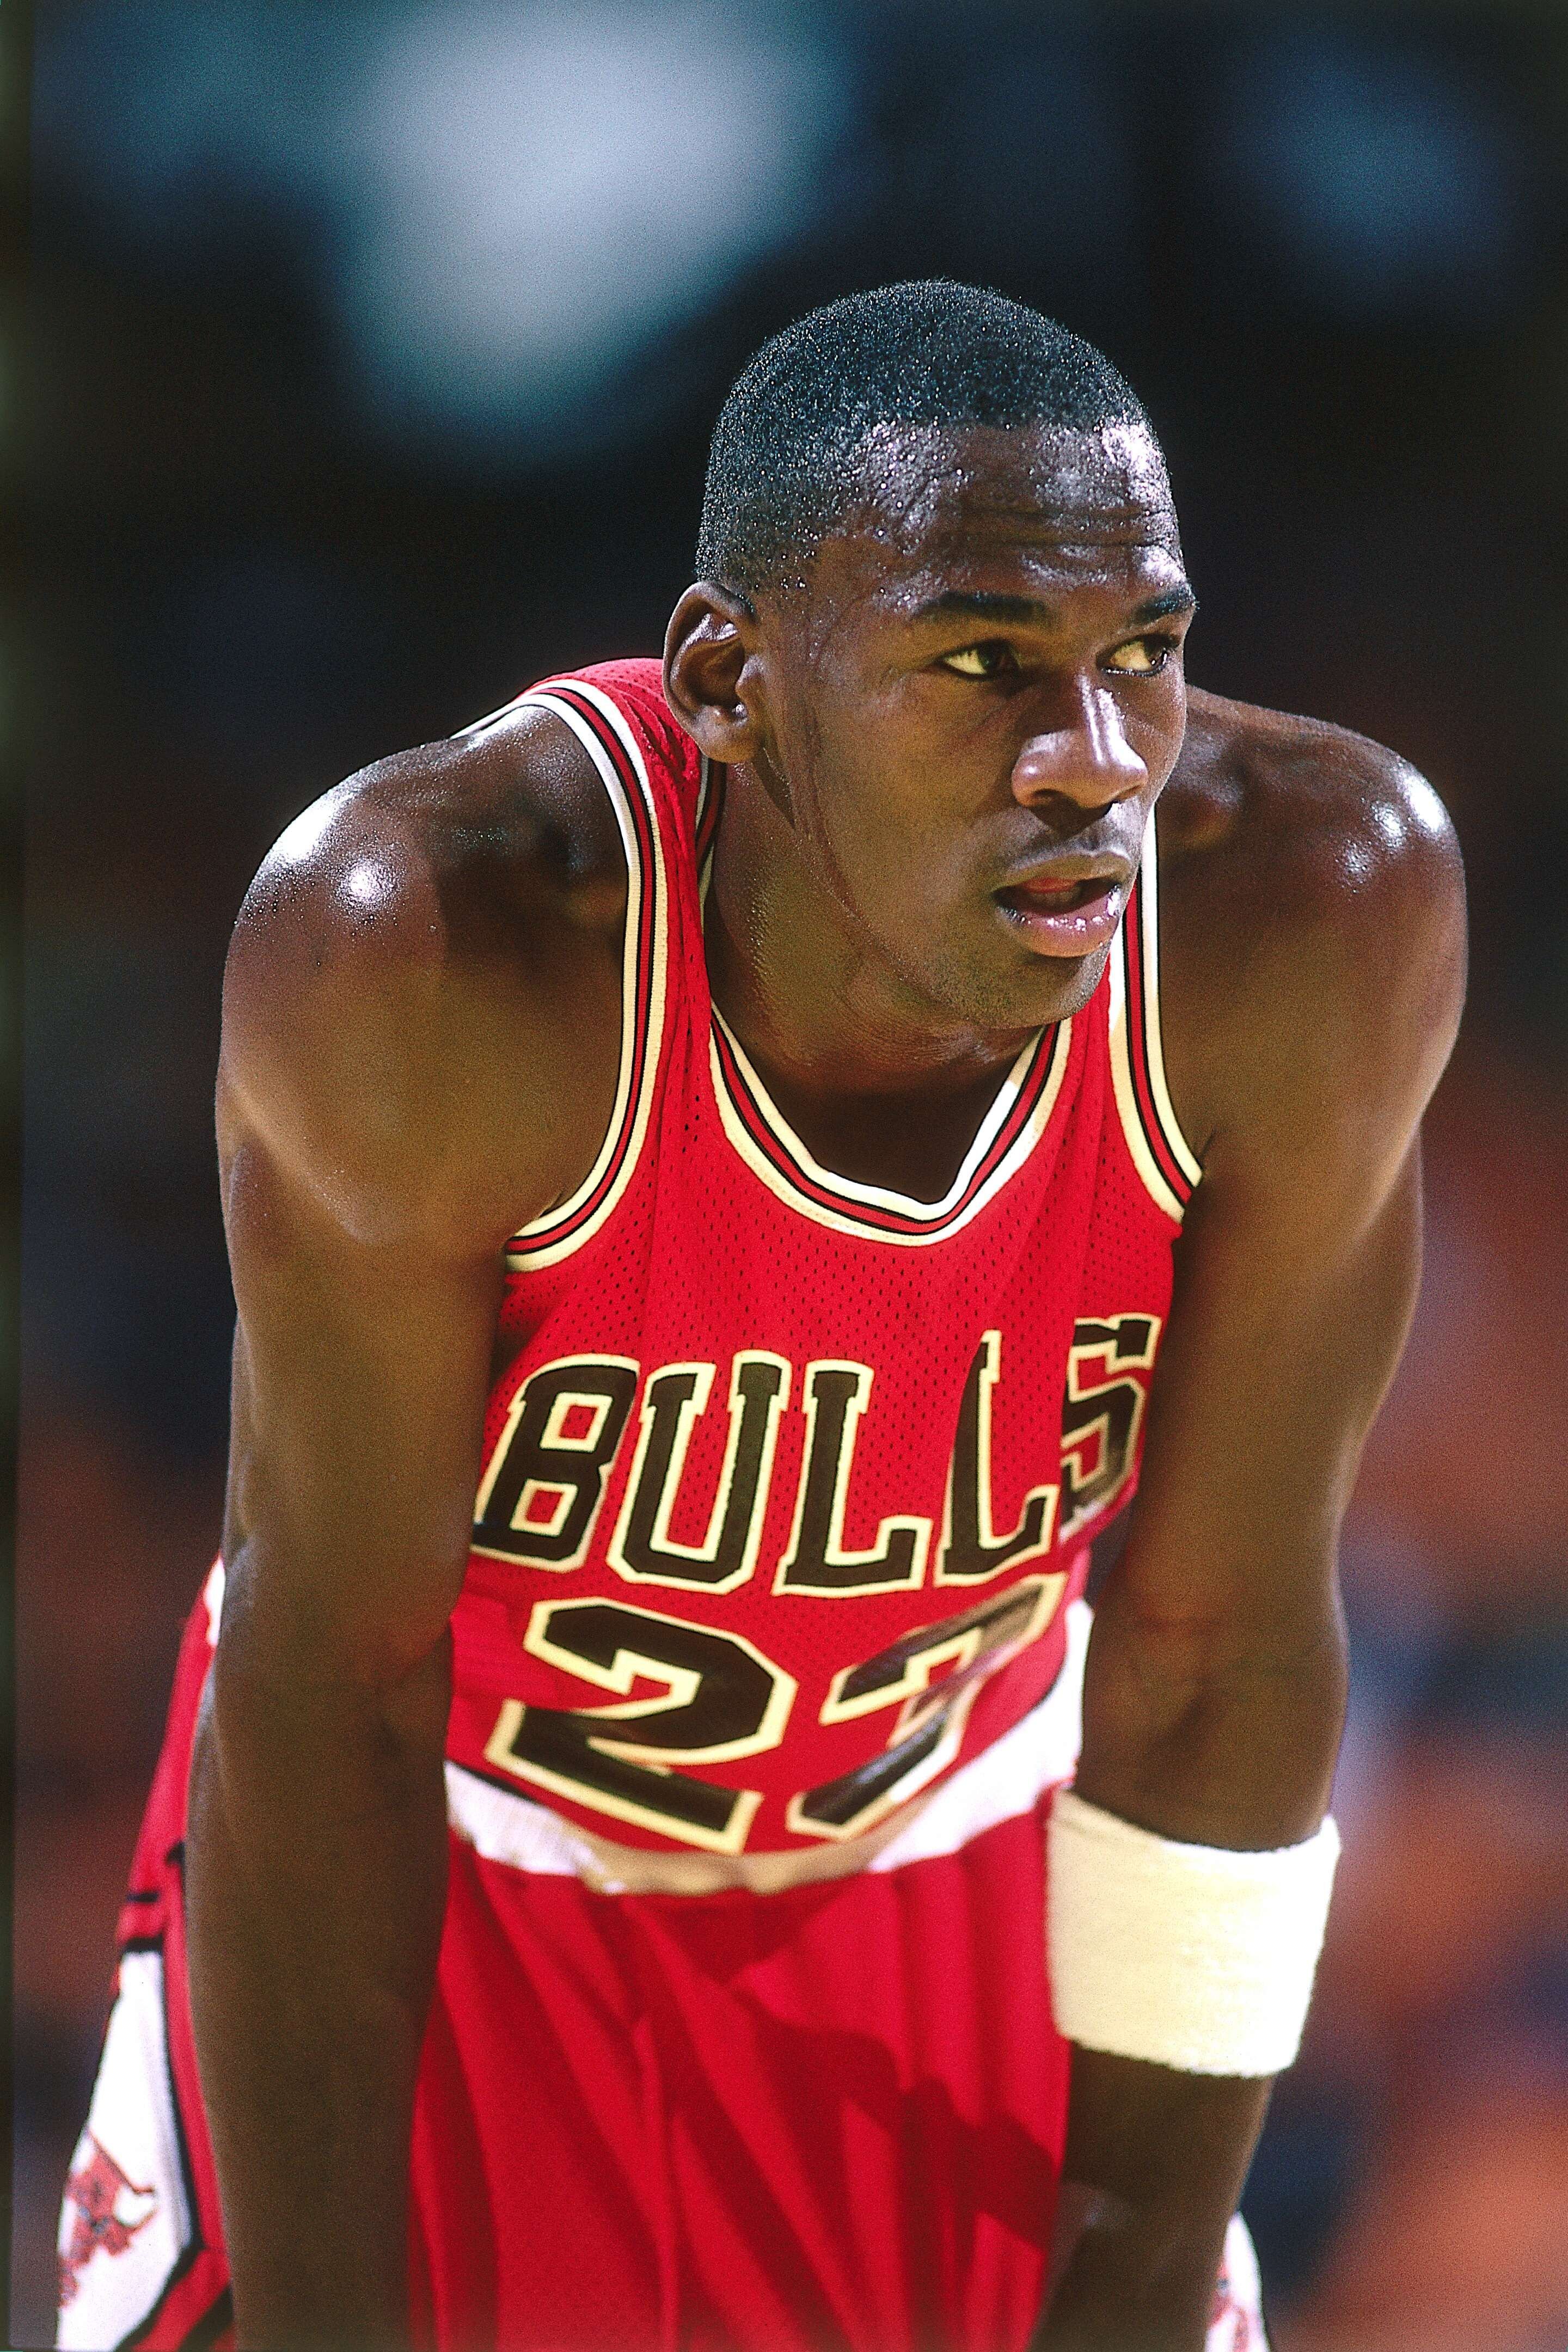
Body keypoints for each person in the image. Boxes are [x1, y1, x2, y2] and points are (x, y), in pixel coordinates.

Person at [57, 281, 1464, 2352]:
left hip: (963, 1847)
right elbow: (330, 1680)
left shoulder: (1307, 911)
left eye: (1143, 658)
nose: (1093, 764)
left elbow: (1222, 1650)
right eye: (983, 665)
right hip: (440, 1868)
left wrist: (1138, 2286)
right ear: (730, 678)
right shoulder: (436, 947)